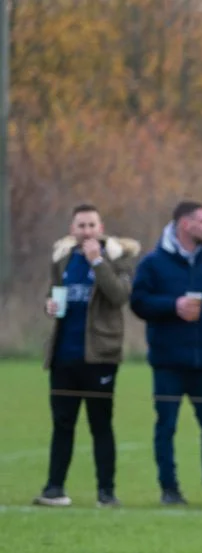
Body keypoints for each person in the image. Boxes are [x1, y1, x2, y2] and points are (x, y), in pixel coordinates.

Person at [129, 201, 202, 506]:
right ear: (184, 225)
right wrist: (172, 305)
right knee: (166, 427)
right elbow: (138, 302)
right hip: (167, 362)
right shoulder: (153, 264)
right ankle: (169, 488)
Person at [35, 204, 140, 508]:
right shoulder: (62, 258)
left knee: (101, 424)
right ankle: (55, 489)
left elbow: (119, 296)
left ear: (101, 227)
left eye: (92, 225)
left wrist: (98, 262)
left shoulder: (119, 257)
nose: (86, 231)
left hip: (100, 356)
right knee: (62, 423)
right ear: (72, 229)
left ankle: (106, 493)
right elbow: (54, 294)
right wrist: (49, 306)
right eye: (80, 226)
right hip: (64, 356)